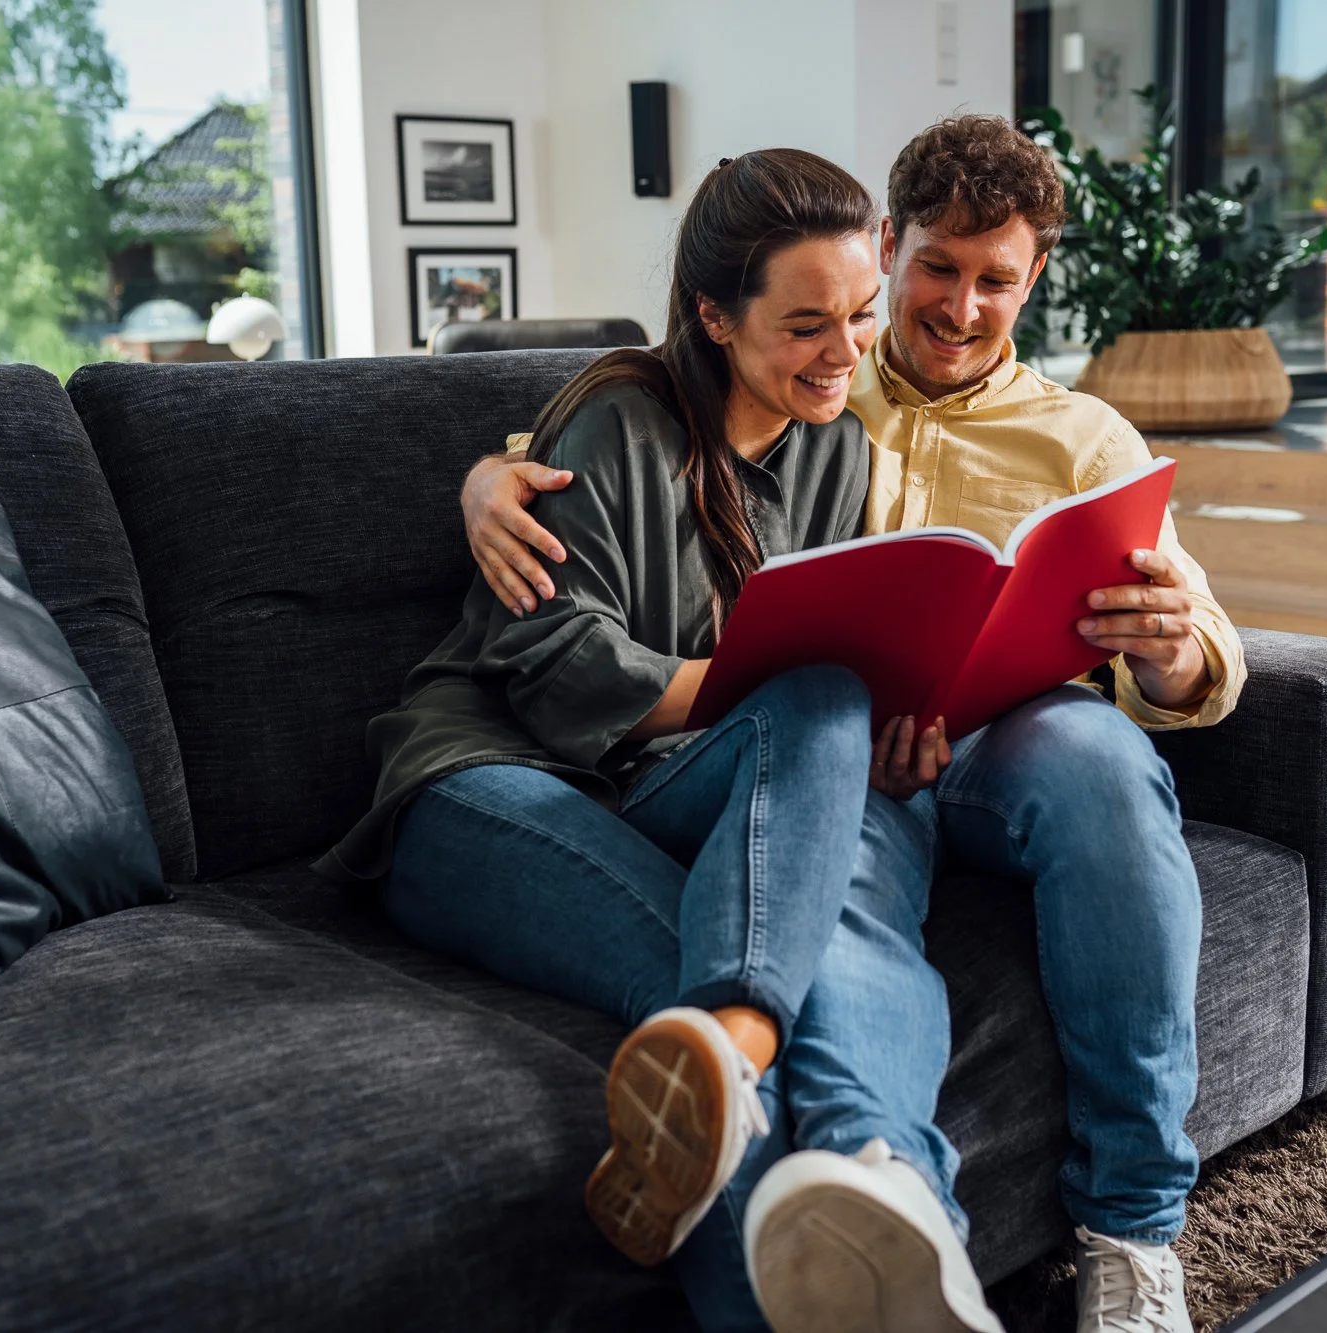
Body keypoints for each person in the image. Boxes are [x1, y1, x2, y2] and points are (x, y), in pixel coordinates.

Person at [461, 115, 1247, 1333]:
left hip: (1006, 745)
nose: (959, 306)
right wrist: (484, 475)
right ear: (891, 244)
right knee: (839, 856)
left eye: (997, 280)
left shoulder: (1088, 440)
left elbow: (1202, 651)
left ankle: (1131, 1228)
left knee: (1103, 758)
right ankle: (890, 1191)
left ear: (1033, 278)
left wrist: (1174, 647)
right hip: (841, 745)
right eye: (935, 268)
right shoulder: (824, 379)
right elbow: (627, 441)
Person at [319, 149, 1002, 1333]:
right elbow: (545, 665)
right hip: (487, 781)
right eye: (803, 324)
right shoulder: (613, 420)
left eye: (856, 313)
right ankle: (751, 1060)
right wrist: (759, 679)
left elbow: (795, 682)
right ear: (710, 313)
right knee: (703, 1020)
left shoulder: (834, 447)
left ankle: (891, 1185)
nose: (846, 353)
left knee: (834, 720)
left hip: (651, 784)